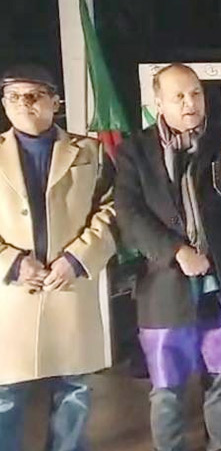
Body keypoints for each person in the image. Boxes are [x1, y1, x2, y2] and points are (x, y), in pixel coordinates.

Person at [115, 63, 221, 451]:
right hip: (165, 284)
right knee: (167, 388)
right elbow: (129, 214)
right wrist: (176, 251)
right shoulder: (135, 150)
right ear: (159, 103)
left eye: (196, 93)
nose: (190, 103)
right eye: (179, 96)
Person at [0, 64, 116, 451]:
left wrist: (78, 258)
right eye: (13, 97)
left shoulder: (90, 152)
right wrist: (12, 262)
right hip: (11, 296)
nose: (23, 104)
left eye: (33, 95)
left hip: (69, 289)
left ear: (55, 102)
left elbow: (114, 209)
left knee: (74, 392)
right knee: (6, 397)